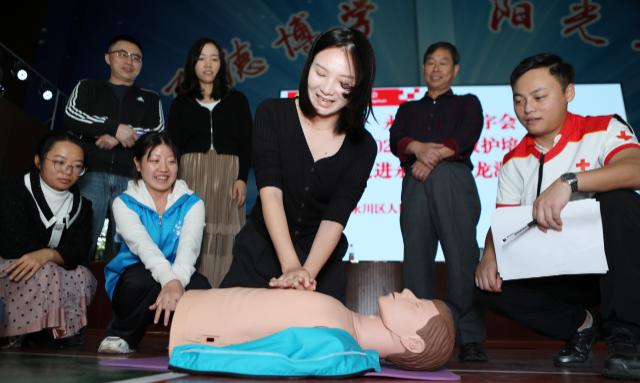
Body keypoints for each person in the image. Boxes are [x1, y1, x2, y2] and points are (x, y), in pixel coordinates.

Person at [475, 53, 640, 380]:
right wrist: (489, 255)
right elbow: (502, 223)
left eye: (539, 97)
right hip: (559, 271)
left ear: (568, 93)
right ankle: (582, 325)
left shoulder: (603, 128)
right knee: (482, 283)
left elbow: (635, 169)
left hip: (613, 268)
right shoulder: (513, 161)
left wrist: (570, 182)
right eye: (519, 100)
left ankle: (629, 339)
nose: (528, 109)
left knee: (619, 200)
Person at [220, 27, 377, 302]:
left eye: (345, 84)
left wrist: (305, 275)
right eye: (321, 73)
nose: (327, 90)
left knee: (317, 341)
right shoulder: (272, 114)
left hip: (320, 262)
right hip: (262, 249)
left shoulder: (363, 146)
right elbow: (271, 194)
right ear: (308, 66)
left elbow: (334, 219)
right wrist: (290, 265)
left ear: (359, 88)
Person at [389, 42, 486, 361]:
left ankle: (468, 336)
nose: (436, 68)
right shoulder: (408, 109)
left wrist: (429, 158)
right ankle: (418, 335)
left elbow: (468, 134)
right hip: (415, 184)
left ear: (455, 69)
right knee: (415, 259)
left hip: (452, 180)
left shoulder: (467, 103)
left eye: (443, 63)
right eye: (430, 62)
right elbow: (396, 140)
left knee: (462, 257)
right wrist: (416, 146)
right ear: (423, 68)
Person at [98, 132, 211, 354]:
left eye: (171, 161)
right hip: (135, 278)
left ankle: (189, 340)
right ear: (138, 164)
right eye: (155, 160)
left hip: (178, 274)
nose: (164, 169)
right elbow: (143, 246)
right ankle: (121, 335)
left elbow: (189, 249)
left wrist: (175, 282)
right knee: (141, 279)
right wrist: (168, 281)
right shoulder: (124, 202)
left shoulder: (193, 203)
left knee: (202, 288)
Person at [169, 287, 454, 371]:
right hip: (195, 306)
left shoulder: (338, 346)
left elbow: (262, 361)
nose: (406, 291)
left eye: (416, 304)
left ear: (413, 343)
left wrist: (189, 354)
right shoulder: (344, 323)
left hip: (192, 328)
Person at [64, 34, 164, 262]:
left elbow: (156, 132)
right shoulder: (88, 87)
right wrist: (113, 127)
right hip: (90, 174)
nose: (129, 61)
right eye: (122, 54)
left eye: (136, 58)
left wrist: (118, 136)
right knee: (80, 242)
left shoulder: (150, 98)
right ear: (107, 58)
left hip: (130, 180)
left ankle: (119, 297)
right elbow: (72, 117)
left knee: (127, 250)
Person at [167, 38, 252, 288]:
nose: (208, 64)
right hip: (191, 173)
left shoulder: (237, 100)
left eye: (214, 59)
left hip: (229, 174)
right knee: (193, 232)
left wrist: (242, 179)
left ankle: (223, 293)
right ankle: (194, 292)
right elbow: (172, 146)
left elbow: (247, 143)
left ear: (221, 65)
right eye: (202, 58)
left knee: (227, 235)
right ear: (193, 63)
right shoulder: (181, 102)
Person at [0, 133, 96, 345]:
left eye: (76, 166)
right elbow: (12, 244)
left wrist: (48, 254)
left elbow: (80, 251)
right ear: (38, 161)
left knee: (81, 274)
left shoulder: (83, 205)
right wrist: (52, 256)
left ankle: (61, 332)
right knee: (48, 272)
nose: (67, 171)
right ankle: (18, 333)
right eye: (59, 162)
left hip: (48, 268)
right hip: (9, 266)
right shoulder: (12, 189)